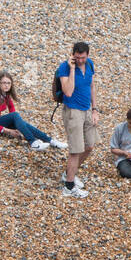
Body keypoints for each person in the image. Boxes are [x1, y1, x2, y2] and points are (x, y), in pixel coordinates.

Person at [57, 41, 100, 198]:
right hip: (73, 111)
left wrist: (95, 109)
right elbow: (68, 91)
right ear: (73, 55)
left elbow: (92, 86)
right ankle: (69, 187)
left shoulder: (90, 65)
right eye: (77, 57)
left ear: (88, 55)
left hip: (87, 109)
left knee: (89, 146)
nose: (80, 60)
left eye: (83, 57)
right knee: (75, 150)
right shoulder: (65, 67)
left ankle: (69, 173)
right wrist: (73, 69)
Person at [0, 72, 65, 151]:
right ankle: (33, 142)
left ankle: (51, 141)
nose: (6, 85)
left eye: (8, 83)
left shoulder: (6, 96)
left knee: (23, 123)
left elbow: (12, 113)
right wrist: (9, 131)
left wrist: (18, 126)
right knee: (16, 116)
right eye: (4, 83)